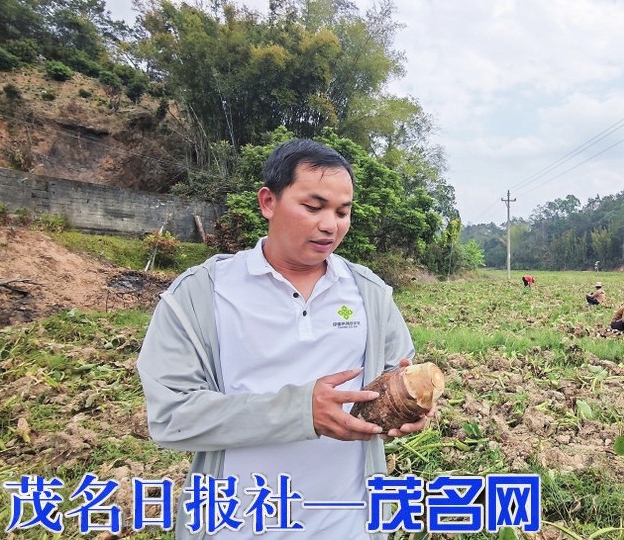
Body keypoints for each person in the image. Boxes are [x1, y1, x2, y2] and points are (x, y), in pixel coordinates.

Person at [136, 138, 432, 539]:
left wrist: (407, 408)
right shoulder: (201, 294)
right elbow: (172, 416)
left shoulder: (369, 293)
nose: (330, 224)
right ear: (268, 202)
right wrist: (299, 412)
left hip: (345, 524)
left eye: (342, 212)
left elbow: (391, 374)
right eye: (313, 207)